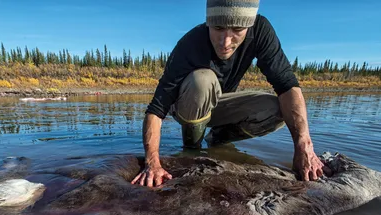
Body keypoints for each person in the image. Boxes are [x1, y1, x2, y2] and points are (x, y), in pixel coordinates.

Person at [131, 0, 324, 187]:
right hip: (187, 104)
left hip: (220, 104)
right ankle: (191, 147)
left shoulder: (261, 30)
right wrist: (152, 163)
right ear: (208, 23)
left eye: (237, 30)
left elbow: (287, 86)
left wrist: (304, 147)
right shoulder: (190, 44)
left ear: (249, 25)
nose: (225, 42)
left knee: (279, 109)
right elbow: (156, 110)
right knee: (202, 80)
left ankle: (218, 139)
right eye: (218, 28)